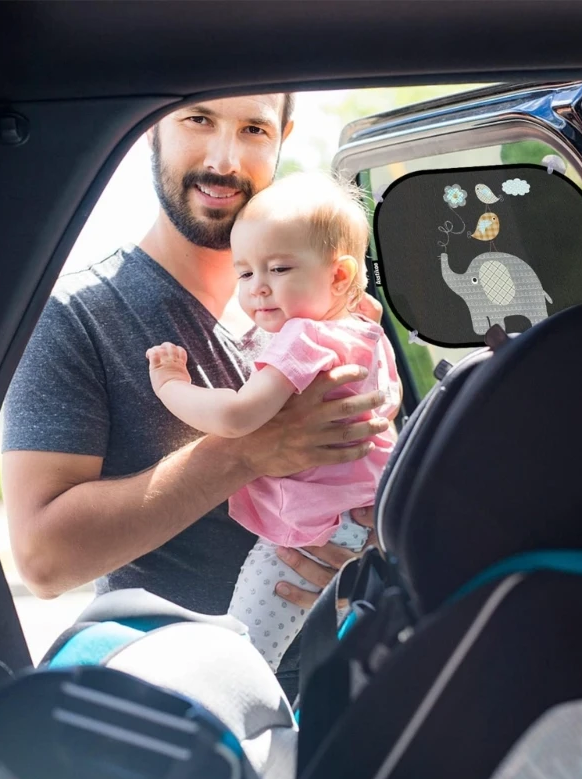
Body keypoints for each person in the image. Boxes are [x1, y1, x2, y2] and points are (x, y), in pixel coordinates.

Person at [1, 93, 391, 701]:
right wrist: (245, 452)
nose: (224, 158)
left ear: (283, 136)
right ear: (150, 129)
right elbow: (42, 560)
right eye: (198, 119)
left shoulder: (334, 312)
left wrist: (368, 537)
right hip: (189, 703)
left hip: (354, 681)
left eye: (254, 129)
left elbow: (377, 461)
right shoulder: (77, 316)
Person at [146, 173, 401, 669]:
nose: (259, 289)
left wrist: (171, 385)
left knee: (246, 653)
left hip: (312, 530)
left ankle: (241, 723)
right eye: (244, 274)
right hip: (362, 520)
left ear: (340, 276)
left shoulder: (305, 337)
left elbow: (239, 416)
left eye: (279, 268)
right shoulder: (363, 328)